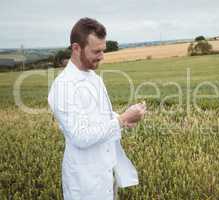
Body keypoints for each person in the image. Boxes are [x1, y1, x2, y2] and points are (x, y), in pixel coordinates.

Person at [48, 17, 146, 200]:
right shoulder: (63, 87)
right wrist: (121, 119)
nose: (102, 56)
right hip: (85, 183)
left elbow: (97, 116)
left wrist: (124, 118)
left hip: (105, 173)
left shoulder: (93, 77)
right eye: (97, 51)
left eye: (103, 50)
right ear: (76, 48)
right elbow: (80, 136)